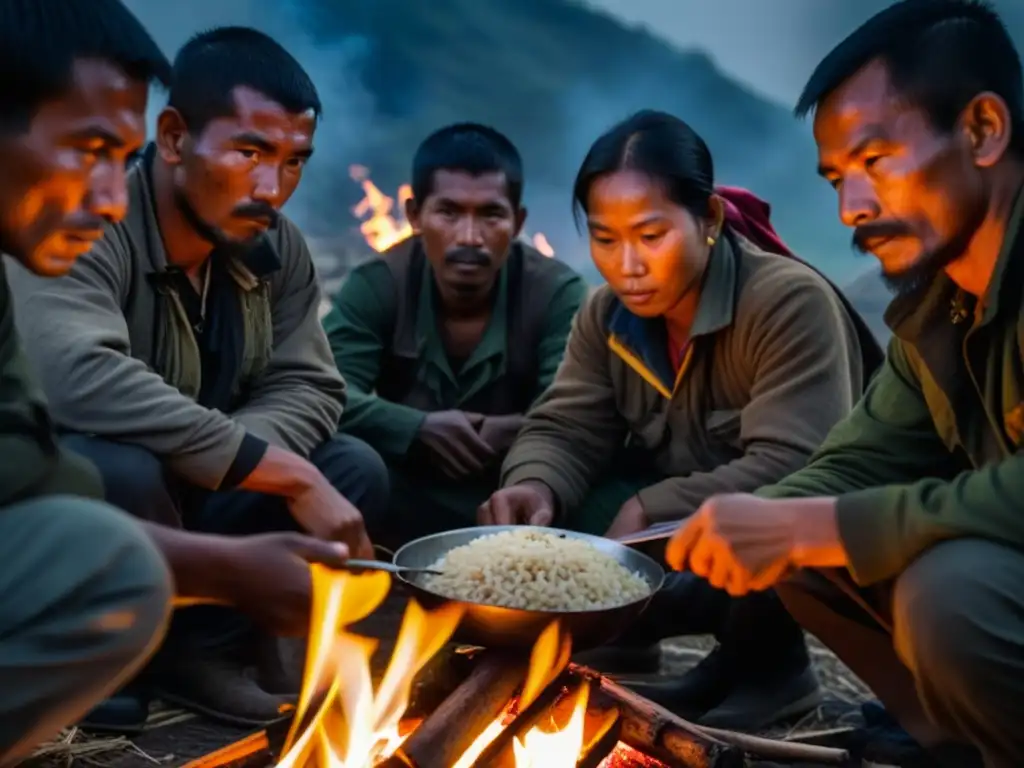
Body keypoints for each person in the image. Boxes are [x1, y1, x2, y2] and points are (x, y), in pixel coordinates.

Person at [663, 1, 1024, 765]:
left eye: (876, 161)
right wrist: (755, 521)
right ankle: (966, 742)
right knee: (799, 541)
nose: (852, 207)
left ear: (983, 129)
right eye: (835, 178)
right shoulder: (942, 305)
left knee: (951, 593)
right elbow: (859, 459)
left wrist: (822, 525)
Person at [0, 1, 357, 764]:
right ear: (175, 142)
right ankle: (132, 664)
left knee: (350, 465)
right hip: (133, 472)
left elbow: (314, 385)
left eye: (294, 162)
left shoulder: (273, 248)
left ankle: (199, 652)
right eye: (89, 148)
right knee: (116, 470)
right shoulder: (92, 236)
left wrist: (241, 460)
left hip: (199, 476)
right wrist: (263, 468)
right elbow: (74, 375)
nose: (273, 185)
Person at [480, 110, 883, 730]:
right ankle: (654, 645)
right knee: (565, 511)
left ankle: (774, 669)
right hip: (685, 534)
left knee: (781, 504)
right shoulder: (605, 313)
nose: (628, 265)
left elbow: (797, 462)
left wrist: (648, 506)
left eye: (651, 235)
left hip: (806, 542)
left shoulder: (786, 301)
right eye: (606, 239)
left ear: (710, 221)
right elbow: (566, 424)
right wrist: (533, 483)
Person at [322, 123, 587, 545]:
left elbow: (577, 415)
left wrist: (520, 431)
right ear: (414, 216)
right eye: (448, 213)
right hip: (403, 489)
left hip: (515, 496)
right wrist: (416, 428)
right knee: (348, 465)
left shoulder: (556, 293)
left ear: (517, 221)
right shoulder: (380, 283)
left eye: (490, 215)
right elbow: (323, 391)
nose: (469, 237)